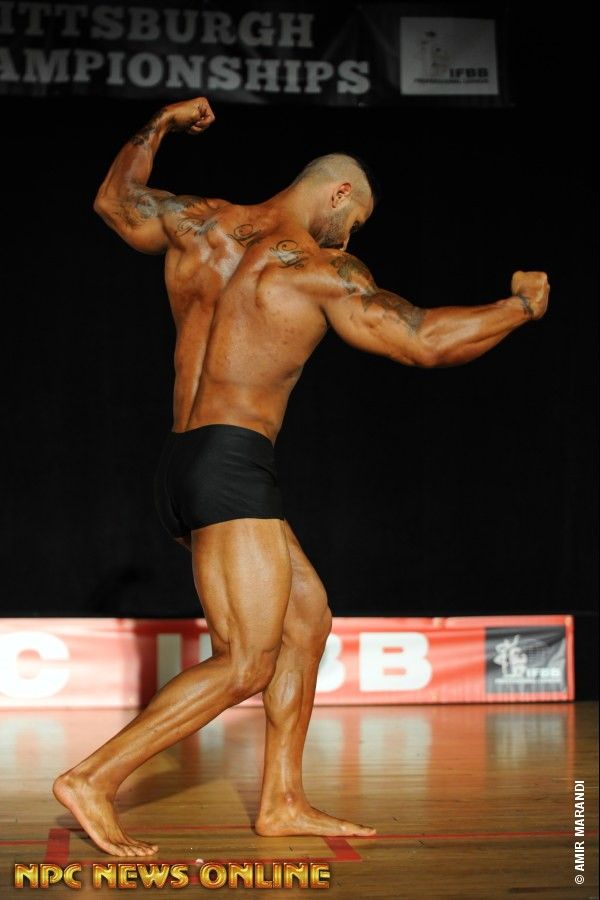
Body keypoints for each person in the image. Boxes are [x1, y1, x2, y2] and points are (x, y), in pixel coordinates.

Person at [53, 97, 550, 857]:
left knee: (306, 617)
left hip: (184, 462)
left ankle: (281, 799)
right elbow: (422, 340)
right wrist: (518, 308)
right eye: (356, 220)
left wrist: (161, 125)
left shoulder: (200, 224)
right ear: (339, 194)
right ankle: (94, 777)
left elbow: (115, 201)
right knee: (247, 660)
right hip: (230, 464)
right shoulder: (321, 269)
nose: (350, 236)